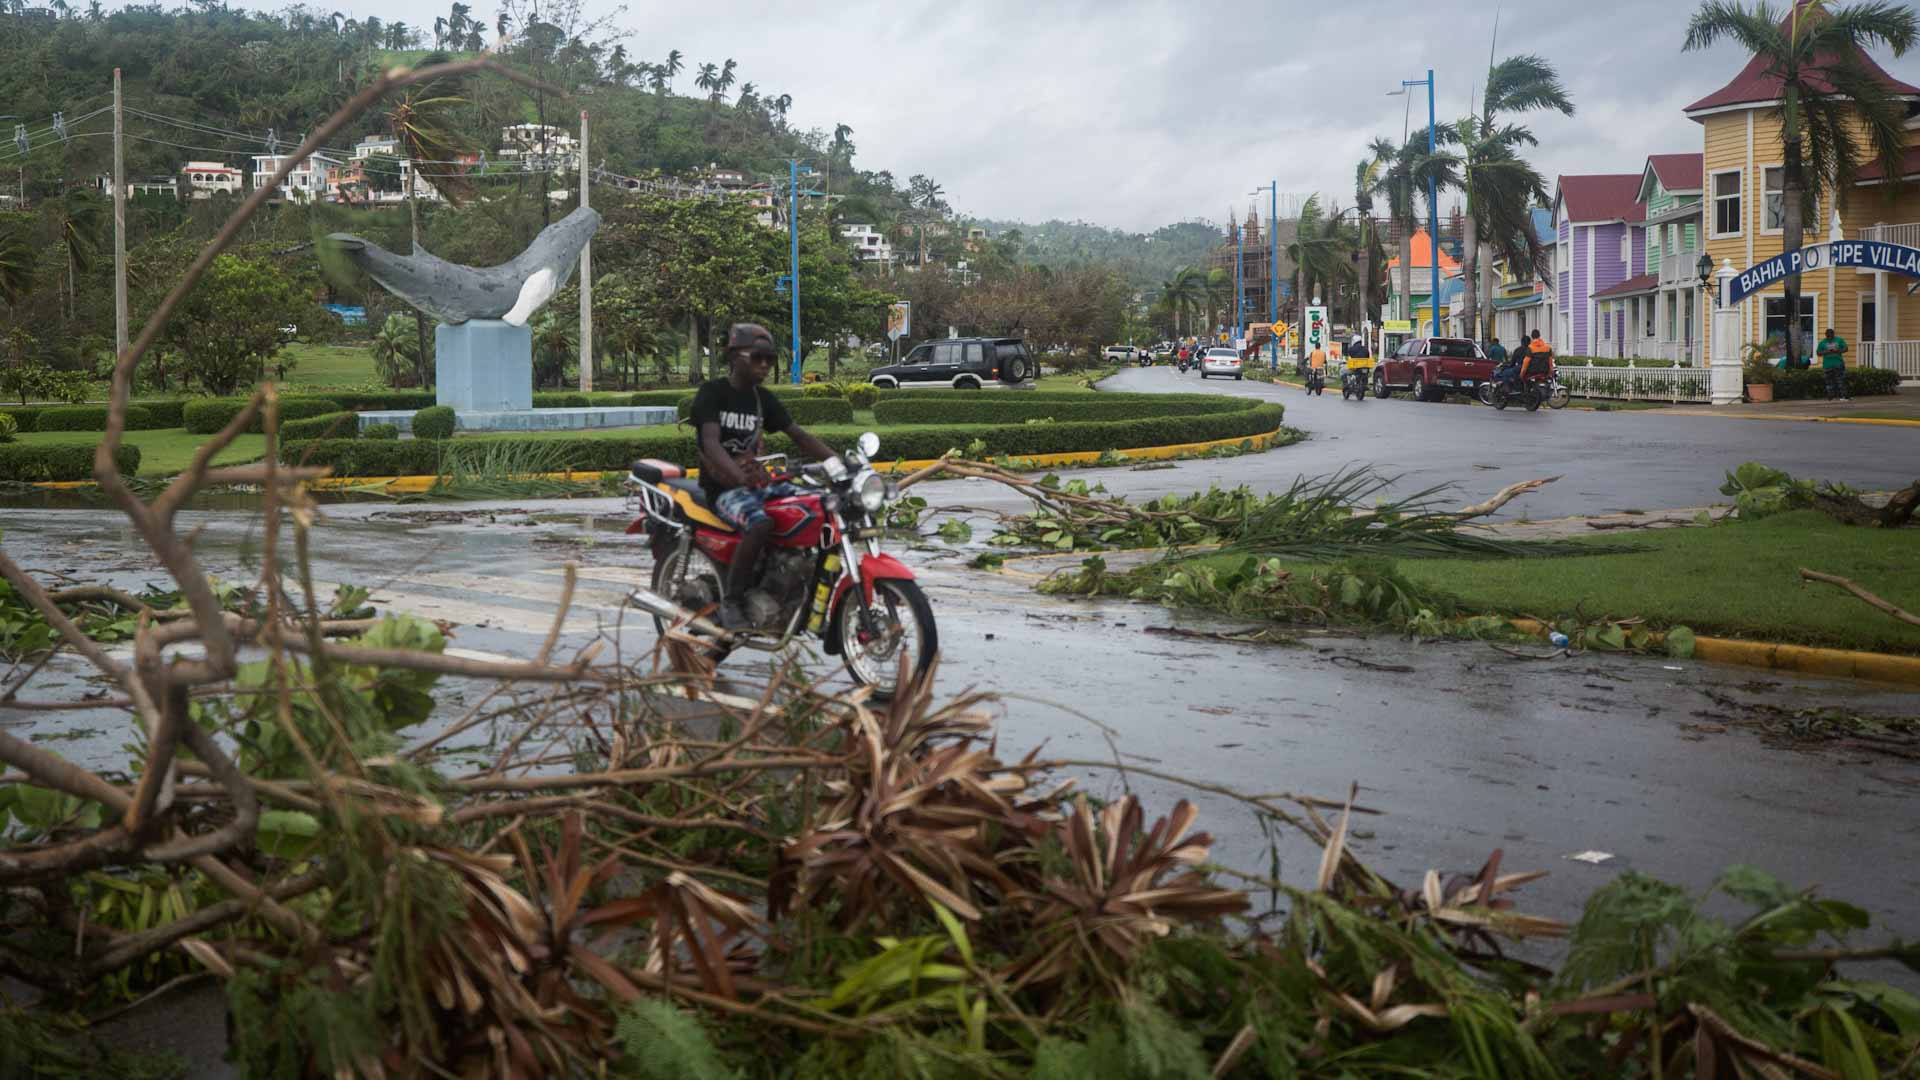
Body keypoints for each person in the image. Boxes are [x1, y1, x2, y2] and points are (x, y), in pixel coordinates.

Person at [691, 323, 838, 631]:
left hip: (757, 484)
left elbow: (799, 436)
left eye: (769, 359)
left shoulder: (763, 399)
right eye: (757, 357)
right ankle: (732, 602)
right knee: (759, 523)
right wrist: (736, 475)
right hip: (723, 489)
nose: (764, 365)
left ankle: (807, 600)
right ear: (734, 356)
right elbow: (711, 443)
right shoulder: (713, 393)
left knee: (821, 509)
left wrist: (840, 464)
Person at [1816, 327, 1850, 401]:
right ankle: (1830, 396)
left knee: (1840, 380)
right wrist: (1826, 352)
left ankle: (1844, 395)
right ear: (1826, 335)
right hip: (1827, 365)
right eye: (1828, 336)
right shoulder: (1822, 342)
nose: (1830, 337)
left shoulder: (1839, 340)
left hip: (1838, 363)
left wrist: (1838, 350)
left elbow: (1846, 349)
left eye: (1831, 336)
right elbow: (1818, 353)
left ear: (1834, 334)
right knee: (1828, 382)